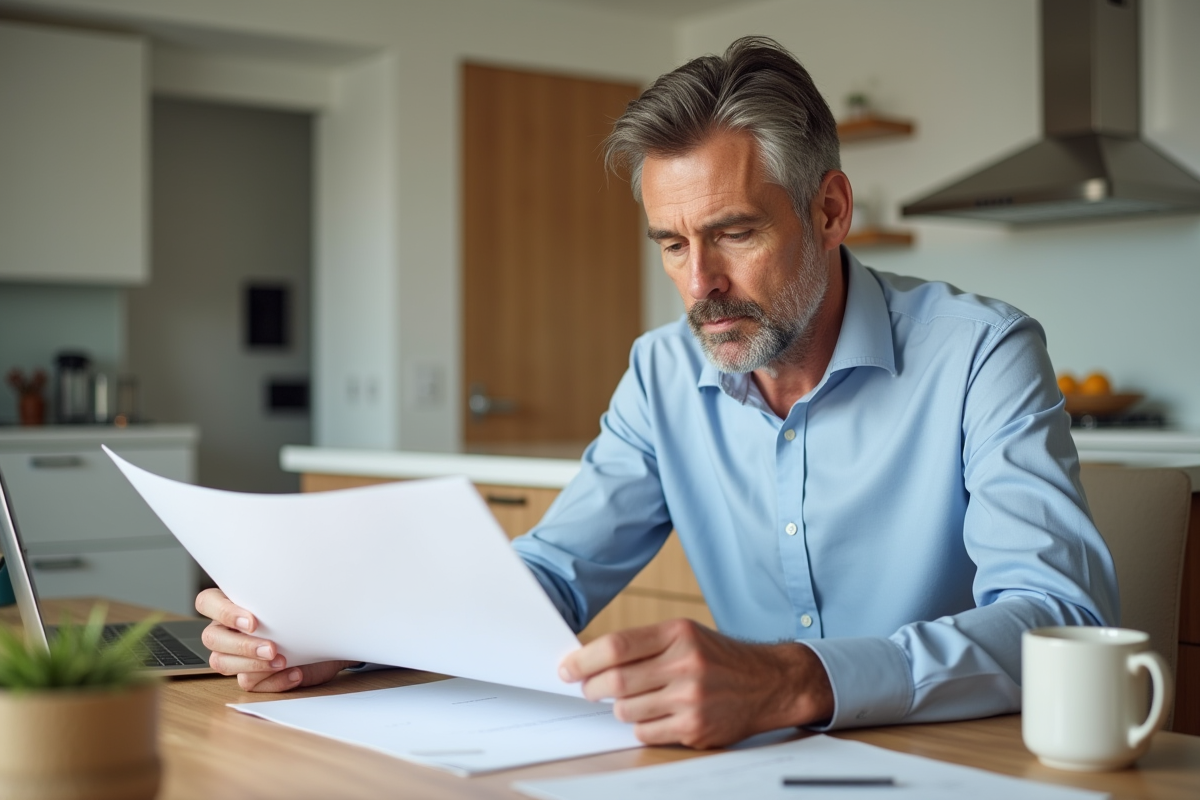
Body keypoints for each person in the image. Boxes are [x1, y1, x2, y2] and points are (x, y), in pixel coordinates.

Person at [196, 36, 1118, 749]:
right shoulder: (663, 373)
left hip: (966, 767)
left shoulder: (982, 355)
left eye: (734, 233)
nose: (698, 283)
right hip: (751, 769)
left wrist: (796, 681)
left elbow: (1058, 619)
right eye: (672, 245)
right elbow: (554, 574)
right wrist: (342, 634)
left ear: (830, 211)